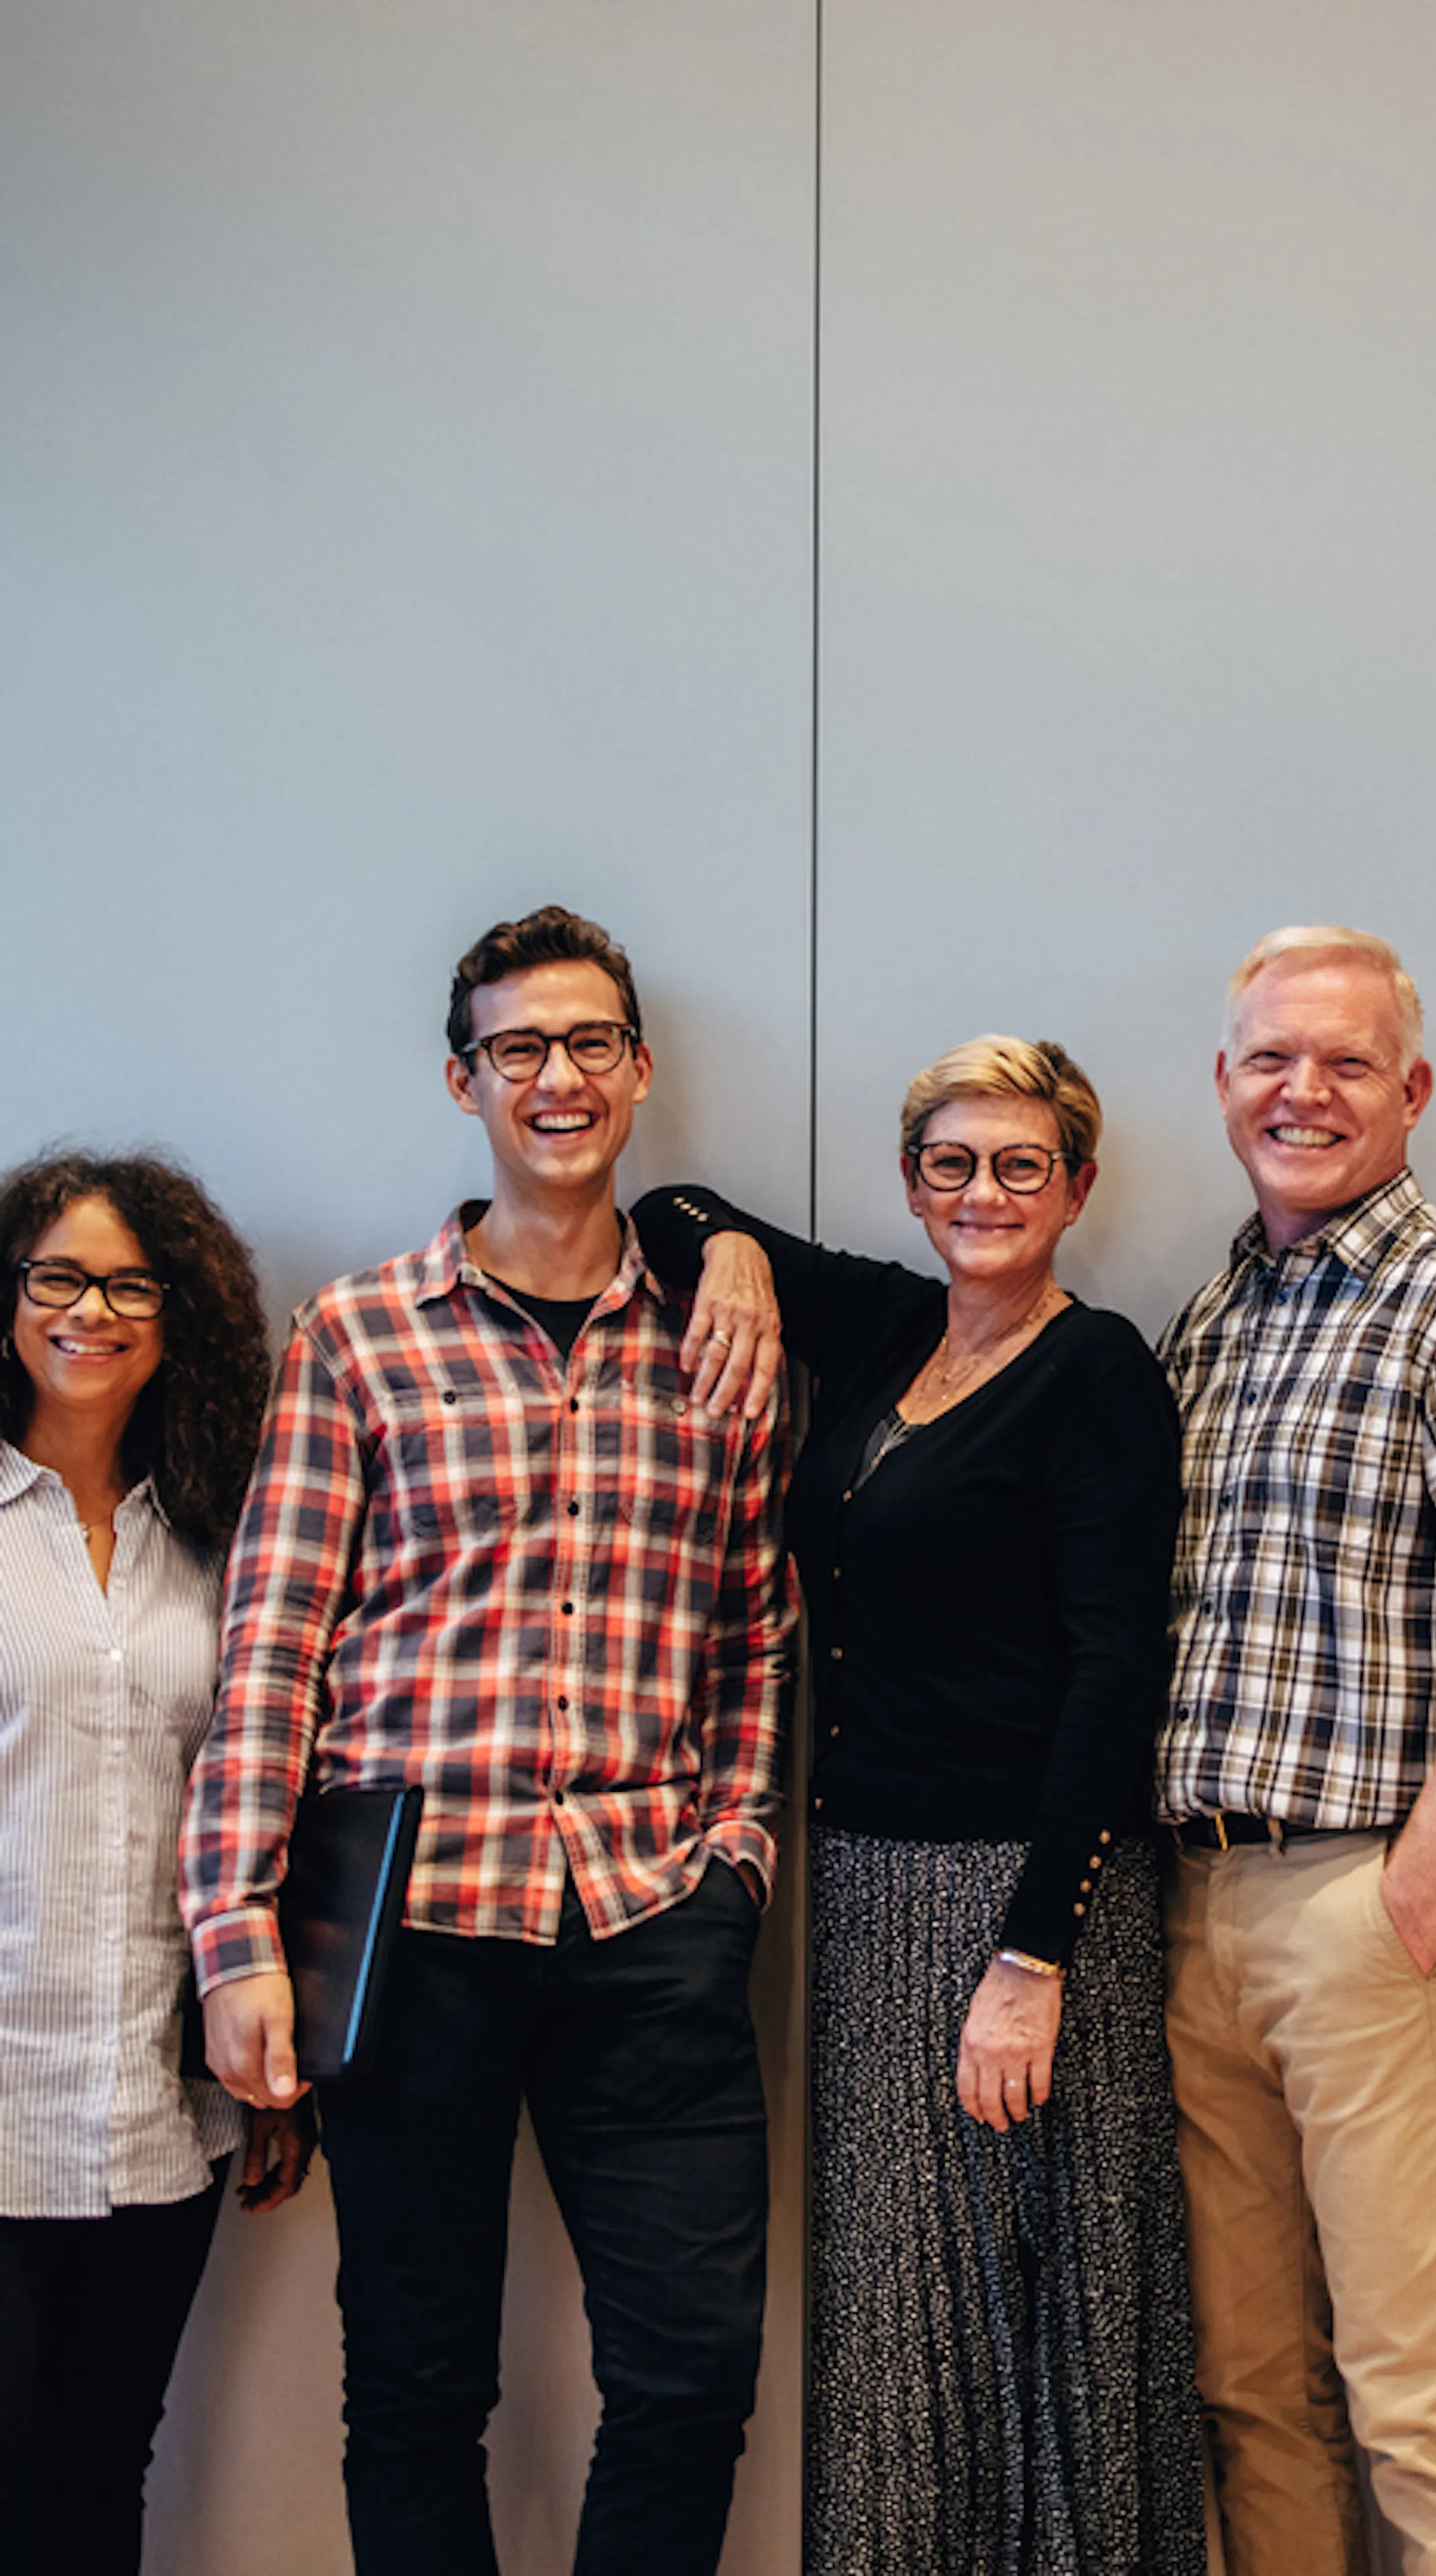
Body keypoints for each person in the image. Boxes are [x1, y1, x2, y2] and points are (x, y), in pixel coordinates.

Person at [180, 906, 792, 2576]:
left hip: (654, 1922)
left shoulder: (718, 1342)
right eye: (518, 1048)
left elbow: (755, 1631)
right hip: (415, 1928)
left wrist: (733, 1850)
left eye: (591, 1042)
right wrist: (236, 1935)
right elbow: (273, 1651)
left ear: (641, 1069)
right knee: (417, 2390)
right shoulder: (357, 1337)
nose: (558, 1077)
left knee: (691, 2374)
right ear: (464, 1082)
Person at [630, 1035, 1203, 2575]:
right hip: (870, 1890)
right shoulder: (888, 1323)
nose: (984, 1192)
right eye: (951, 1163)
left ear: (1077, 1186)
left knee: (1047, 2326)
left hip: (1032, 1902)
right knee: (897, 2325)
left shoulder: (1101, 1375)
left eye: (1022, 1164)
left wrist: (1033, 1963)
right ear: (911, 1181)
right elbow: (669, 1208)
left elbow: (1113, 1673)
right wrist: (742, 1259)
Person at [1157, 924, 1436, 2575]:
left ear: (1412, 1092)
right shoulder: (1213, 1319)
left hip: (1371, 1908)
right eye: (1272, 1057)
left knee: (1421, 2398)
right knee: (1252, 2393)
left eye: (1347, 1062)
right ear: (1222, 1085)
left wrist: (1421, 1890)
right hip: (1200, 1909)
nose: (1304, 1090)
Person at [0, 1150, 311, 2575]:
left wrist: (268, 2067)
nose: (94, 1309)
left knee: (98, 2468)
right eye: (59, 1275)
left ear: (180, 1316)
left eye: (133, 1282)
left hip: (151, 2095)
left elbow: (253, 1797)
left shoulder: (214, 1533)